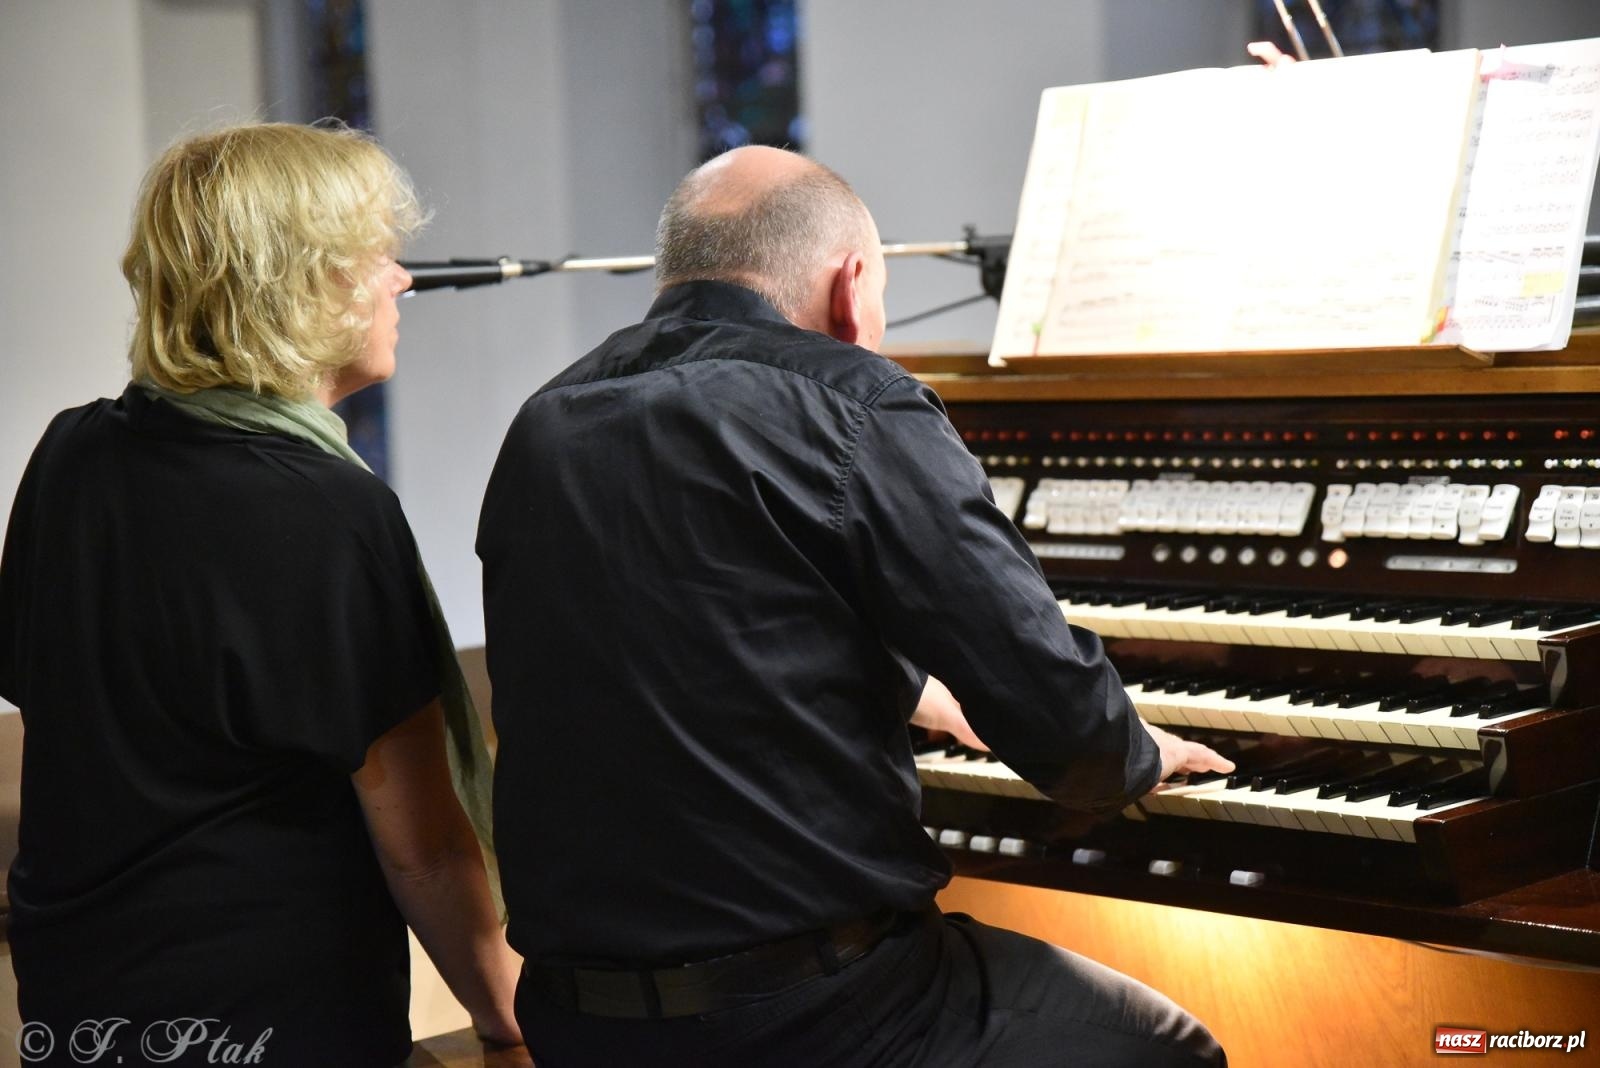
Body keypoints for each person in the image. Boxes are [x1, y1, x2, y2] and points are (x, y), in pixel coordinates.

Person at [477, 144, 1232, 1067]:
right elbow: (1052, 709)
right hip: (811, 1019)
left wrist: (911, 687)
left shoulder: (547, 420)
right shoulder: (853, 402)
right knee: (1172, 1050)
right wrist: (1132, 756)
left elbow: (684, 623)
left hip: (580, 1019)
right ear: (851, 283)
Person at [0, 123, 521, 1066]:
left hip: (80, 1006)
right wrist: (509, 1020)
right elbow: (422, 846)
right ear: (305, 284)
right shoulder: (328, 509)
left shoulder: (70, 452)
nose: (402, 280)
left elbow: (61, 713)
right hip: (269, 1016)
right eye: (379, 256)